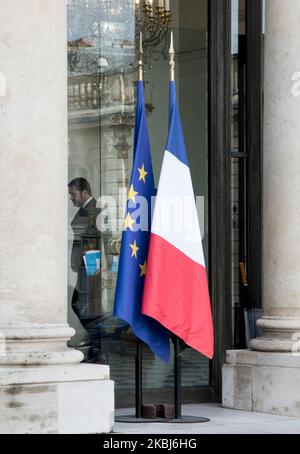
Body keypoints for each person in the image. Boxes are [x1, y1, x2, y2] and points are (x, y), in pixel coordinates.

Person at [68, 177, 108, 328]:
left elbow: (98, 240)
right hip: (85, 267)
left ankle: (97, 337)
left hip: (91, 269)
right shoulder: (86, 209)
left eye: (73, 194)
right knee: (84, 306)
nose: (71, 198)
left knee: (84, 306)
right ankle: (96, 338)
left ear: (84, 192)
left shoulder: (95, 209)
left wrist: (95, 269)